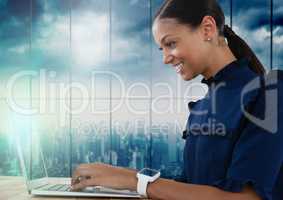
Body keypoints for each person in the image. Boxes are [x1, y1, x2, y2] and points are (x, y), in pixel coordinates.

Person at [71, 0, 283, 199]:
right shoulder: (200, 109)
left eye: (170, 43)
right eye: (161, 49)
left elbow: (249, 197)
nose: (165, 58)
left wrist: (133, 180)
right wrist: (119, 177)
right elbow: (189, 188)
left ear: (207, 29)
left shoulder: (270, 93)